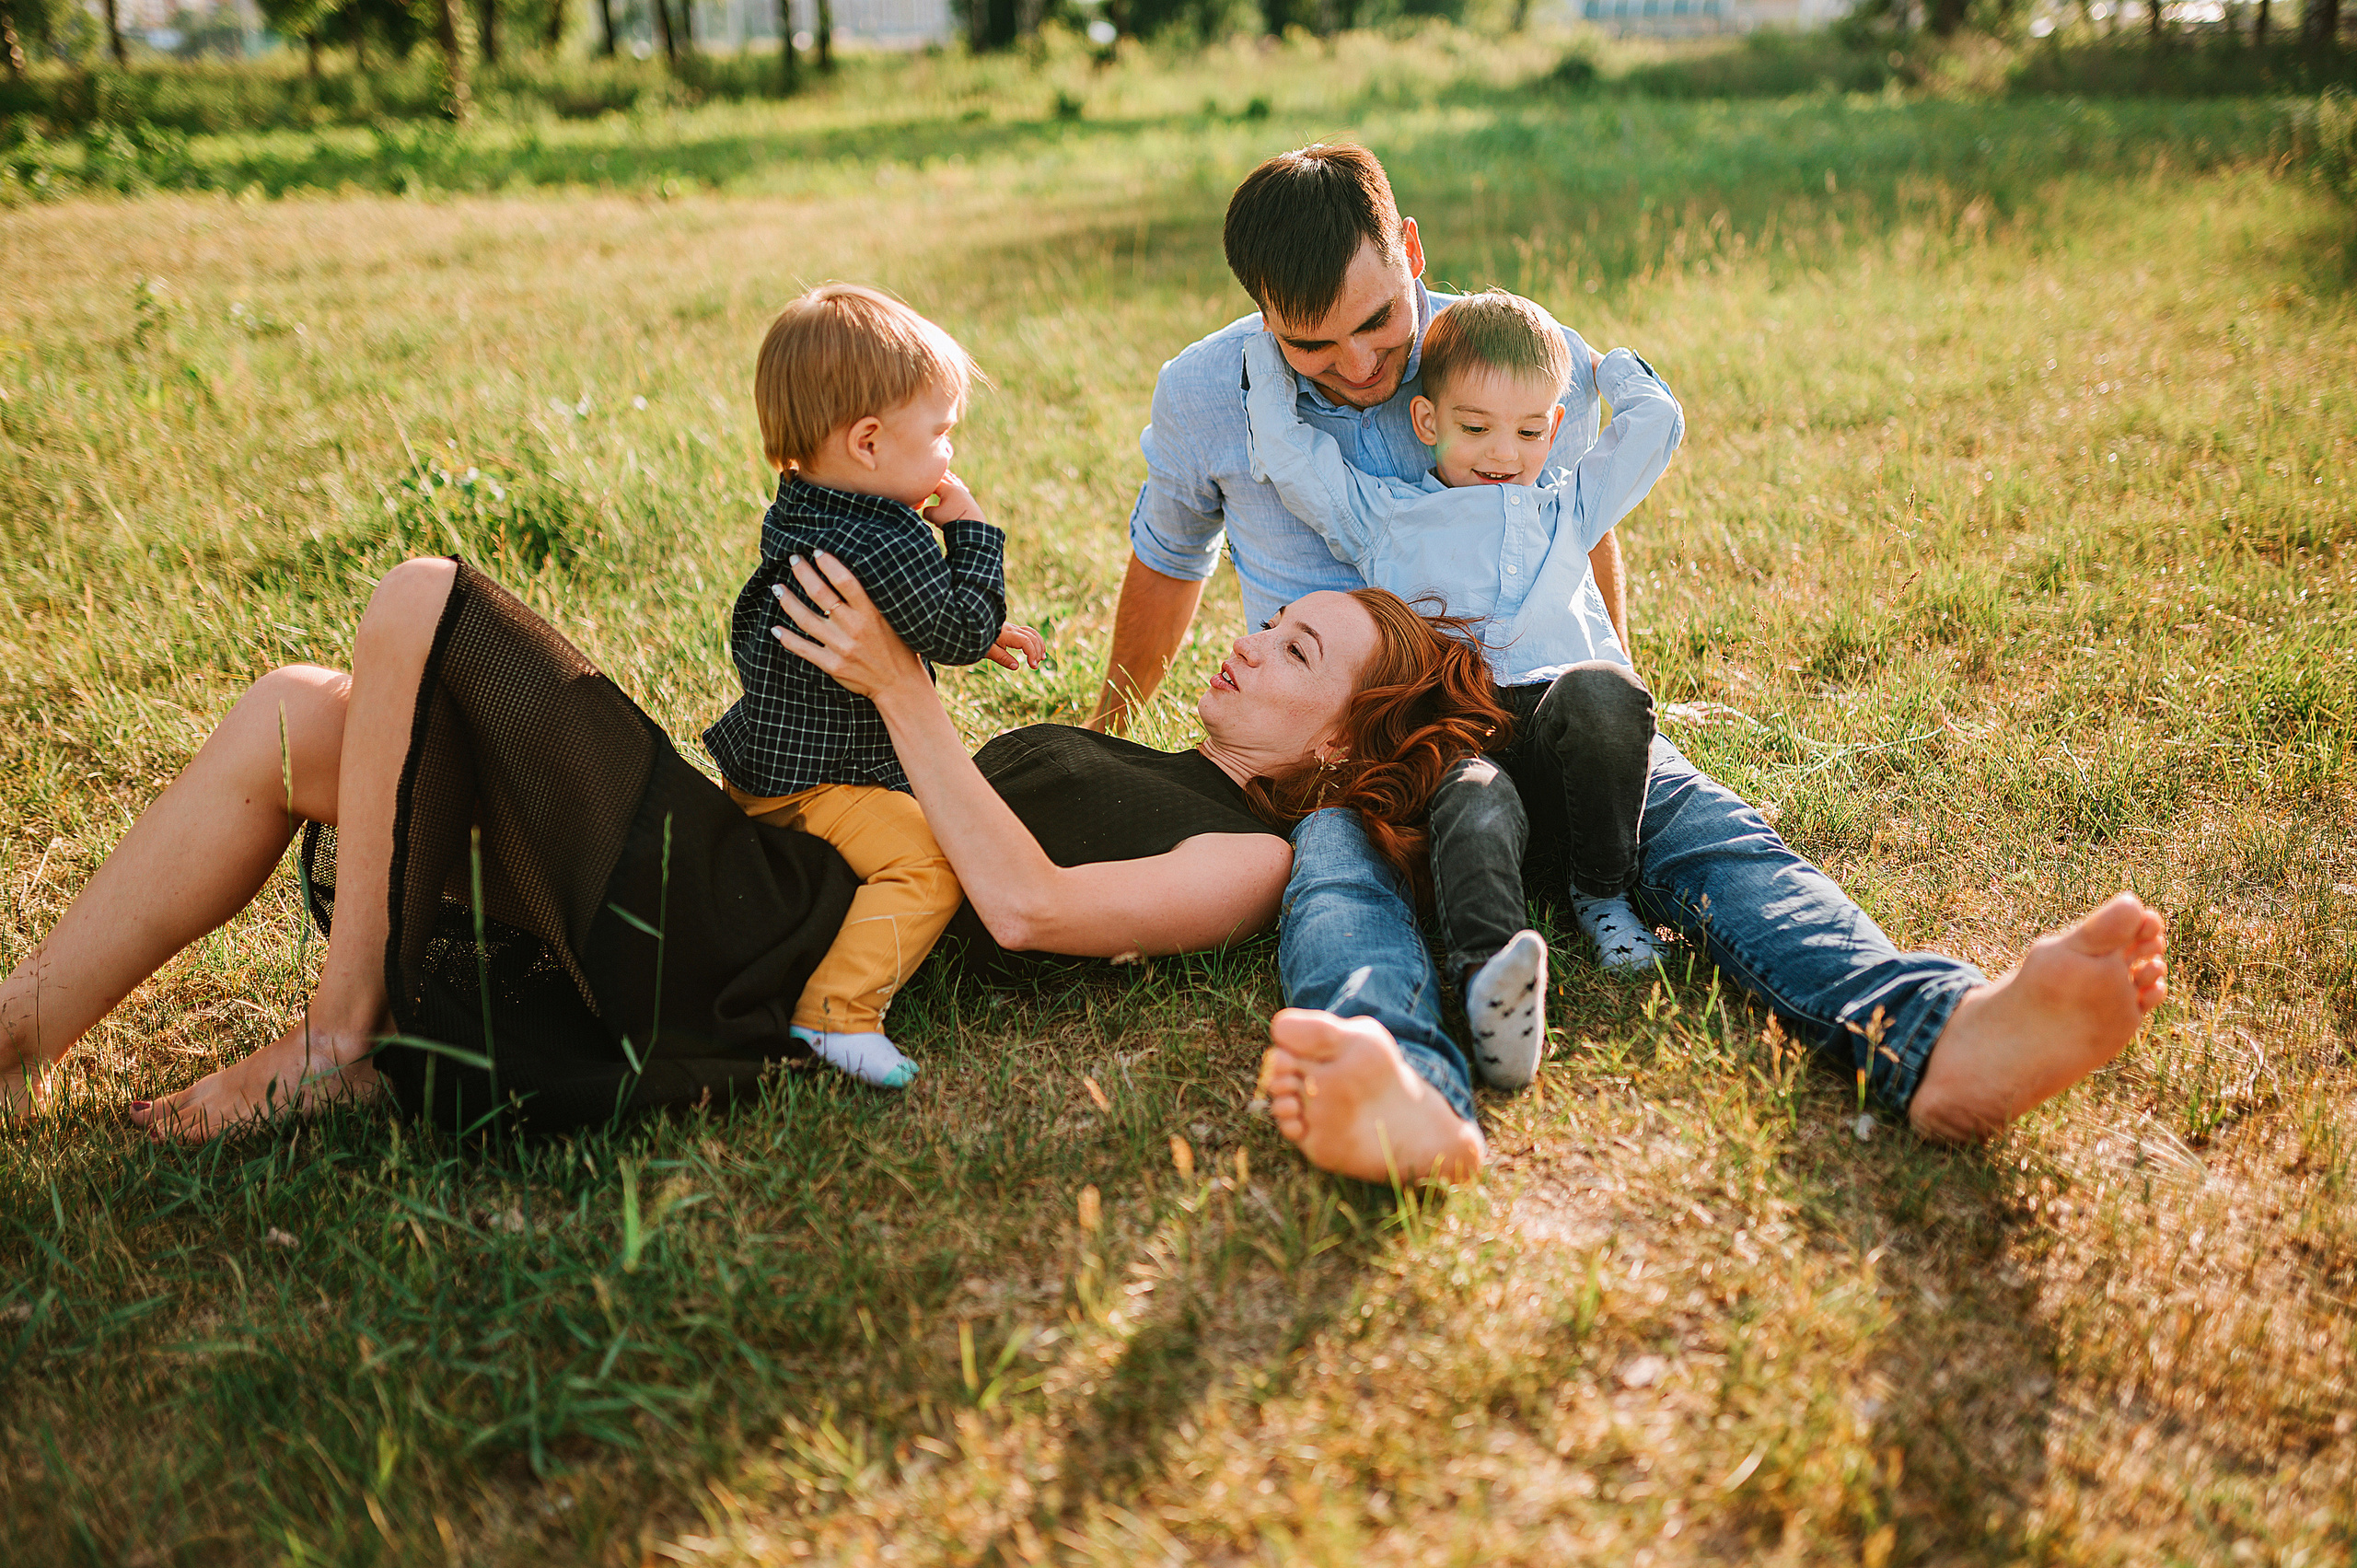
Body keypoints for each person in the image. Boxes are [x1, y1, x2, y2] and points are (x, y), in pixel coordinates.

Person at [1092, 141, 2172, 1183]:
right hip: (1353, 745)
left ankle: (1932, 1034)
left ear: (1409, 251)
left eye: (1378, 324)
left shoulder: (1511, 351)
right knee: (1336, 868)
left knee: (1702, 828)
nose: (1361, 364)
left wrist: (1617, 688)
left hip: (1531, 706)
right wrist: (1112, 722)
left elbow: (1573, 525)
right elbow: (1170, 555)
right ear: (1262, 314)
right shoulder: (1207, 392)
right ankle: (1400, 1081)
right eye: (1311, 347)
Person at [0, 556, 1504, 1154]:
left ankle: (341, 1032)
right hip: (756, 863)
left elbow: (1029, 905)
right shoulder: (1160, 764)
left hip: (750, 937)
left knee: (421, 598)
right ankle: (22, 1033)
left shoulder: (1252, 857)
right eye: (1272, 618)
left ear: (1340, 744)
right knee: (299, 714)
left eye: (1297, 649)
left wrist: (904, 694)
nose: (1252, 638)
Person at [1242, 288, 1685, 1093]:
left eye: (1528, 431)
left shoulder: (1568, 506)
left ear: (1554, 428)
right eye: (1475, 427)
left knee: (1606, 694)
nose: (1502, 452)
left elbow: (1658, 426)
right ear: (1426, 421)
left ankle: (1602, 895)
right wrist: (1264, 352)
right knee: (1474, 799)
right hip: (1464, 737)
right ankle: (1492, 978)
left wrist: (1608, 366)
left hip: (1563, 735)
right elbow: (1290, 454)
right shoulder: (1386, 516)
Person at [703, 283, 1043, 1090]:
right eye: (940, 434)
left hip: (766, 763)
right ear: (867, 441)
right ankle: (839, 1010)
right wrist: (970, 534)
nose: (949, 454)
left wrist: (953, 613)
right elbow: (954, 633)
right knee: (931, 862)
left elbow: (907, 614)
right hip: (823, 784)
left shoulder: (803, 508)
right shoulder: (889, 537)